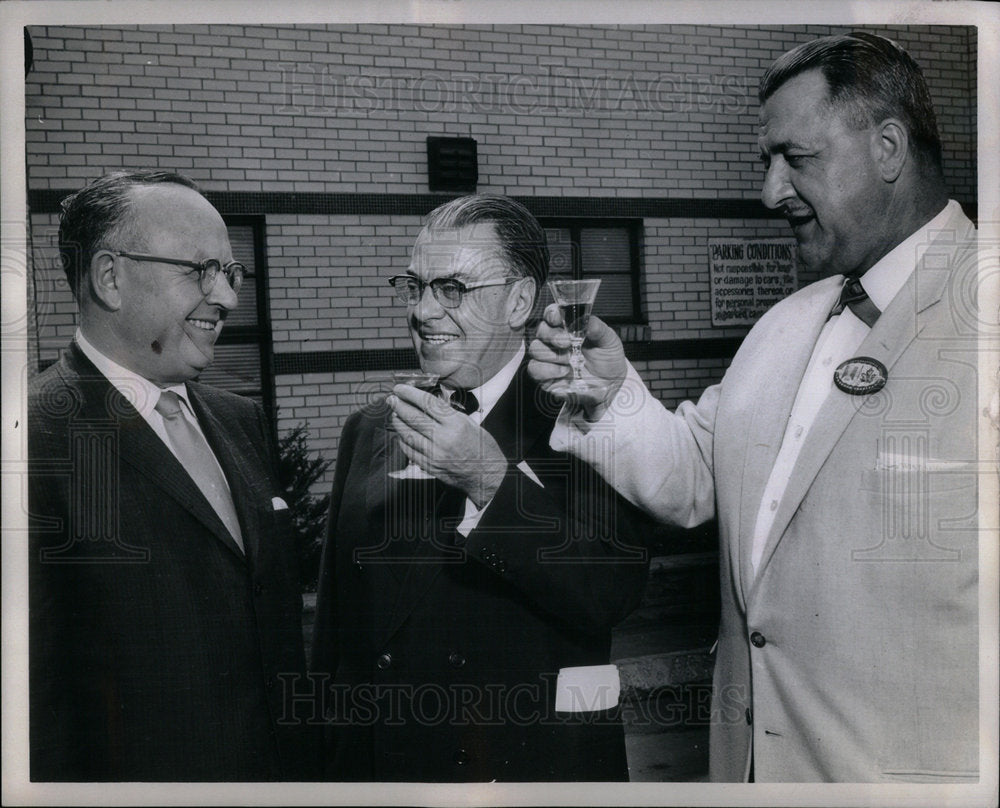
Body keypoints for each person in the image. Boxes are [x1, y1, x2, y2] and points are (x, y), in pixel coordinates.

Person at [529, 33, 981, 782]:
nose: (771, 192)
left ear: (890, 147)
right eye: (764, 163)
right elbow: (701, 476)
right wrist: (609, 395)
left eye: (796, 159)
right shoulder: (784, 325)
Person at [310, 194, 650, 781]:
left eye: (452, 289)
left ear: (519, 300)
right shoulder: (369, 428)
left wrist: (490, 481)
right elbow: (337, 636)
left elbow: (610, 589)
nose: (422, 310)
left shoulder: (586, 417)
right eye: (414, 286)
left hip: (528, 769)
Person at [28, 170, 318, 780]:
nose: (229, 298)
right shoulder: (31, 441)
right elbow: (35, 711)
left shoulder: (240, 421)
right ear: (110, 277)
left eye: (232, 273)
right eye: (200, 270)